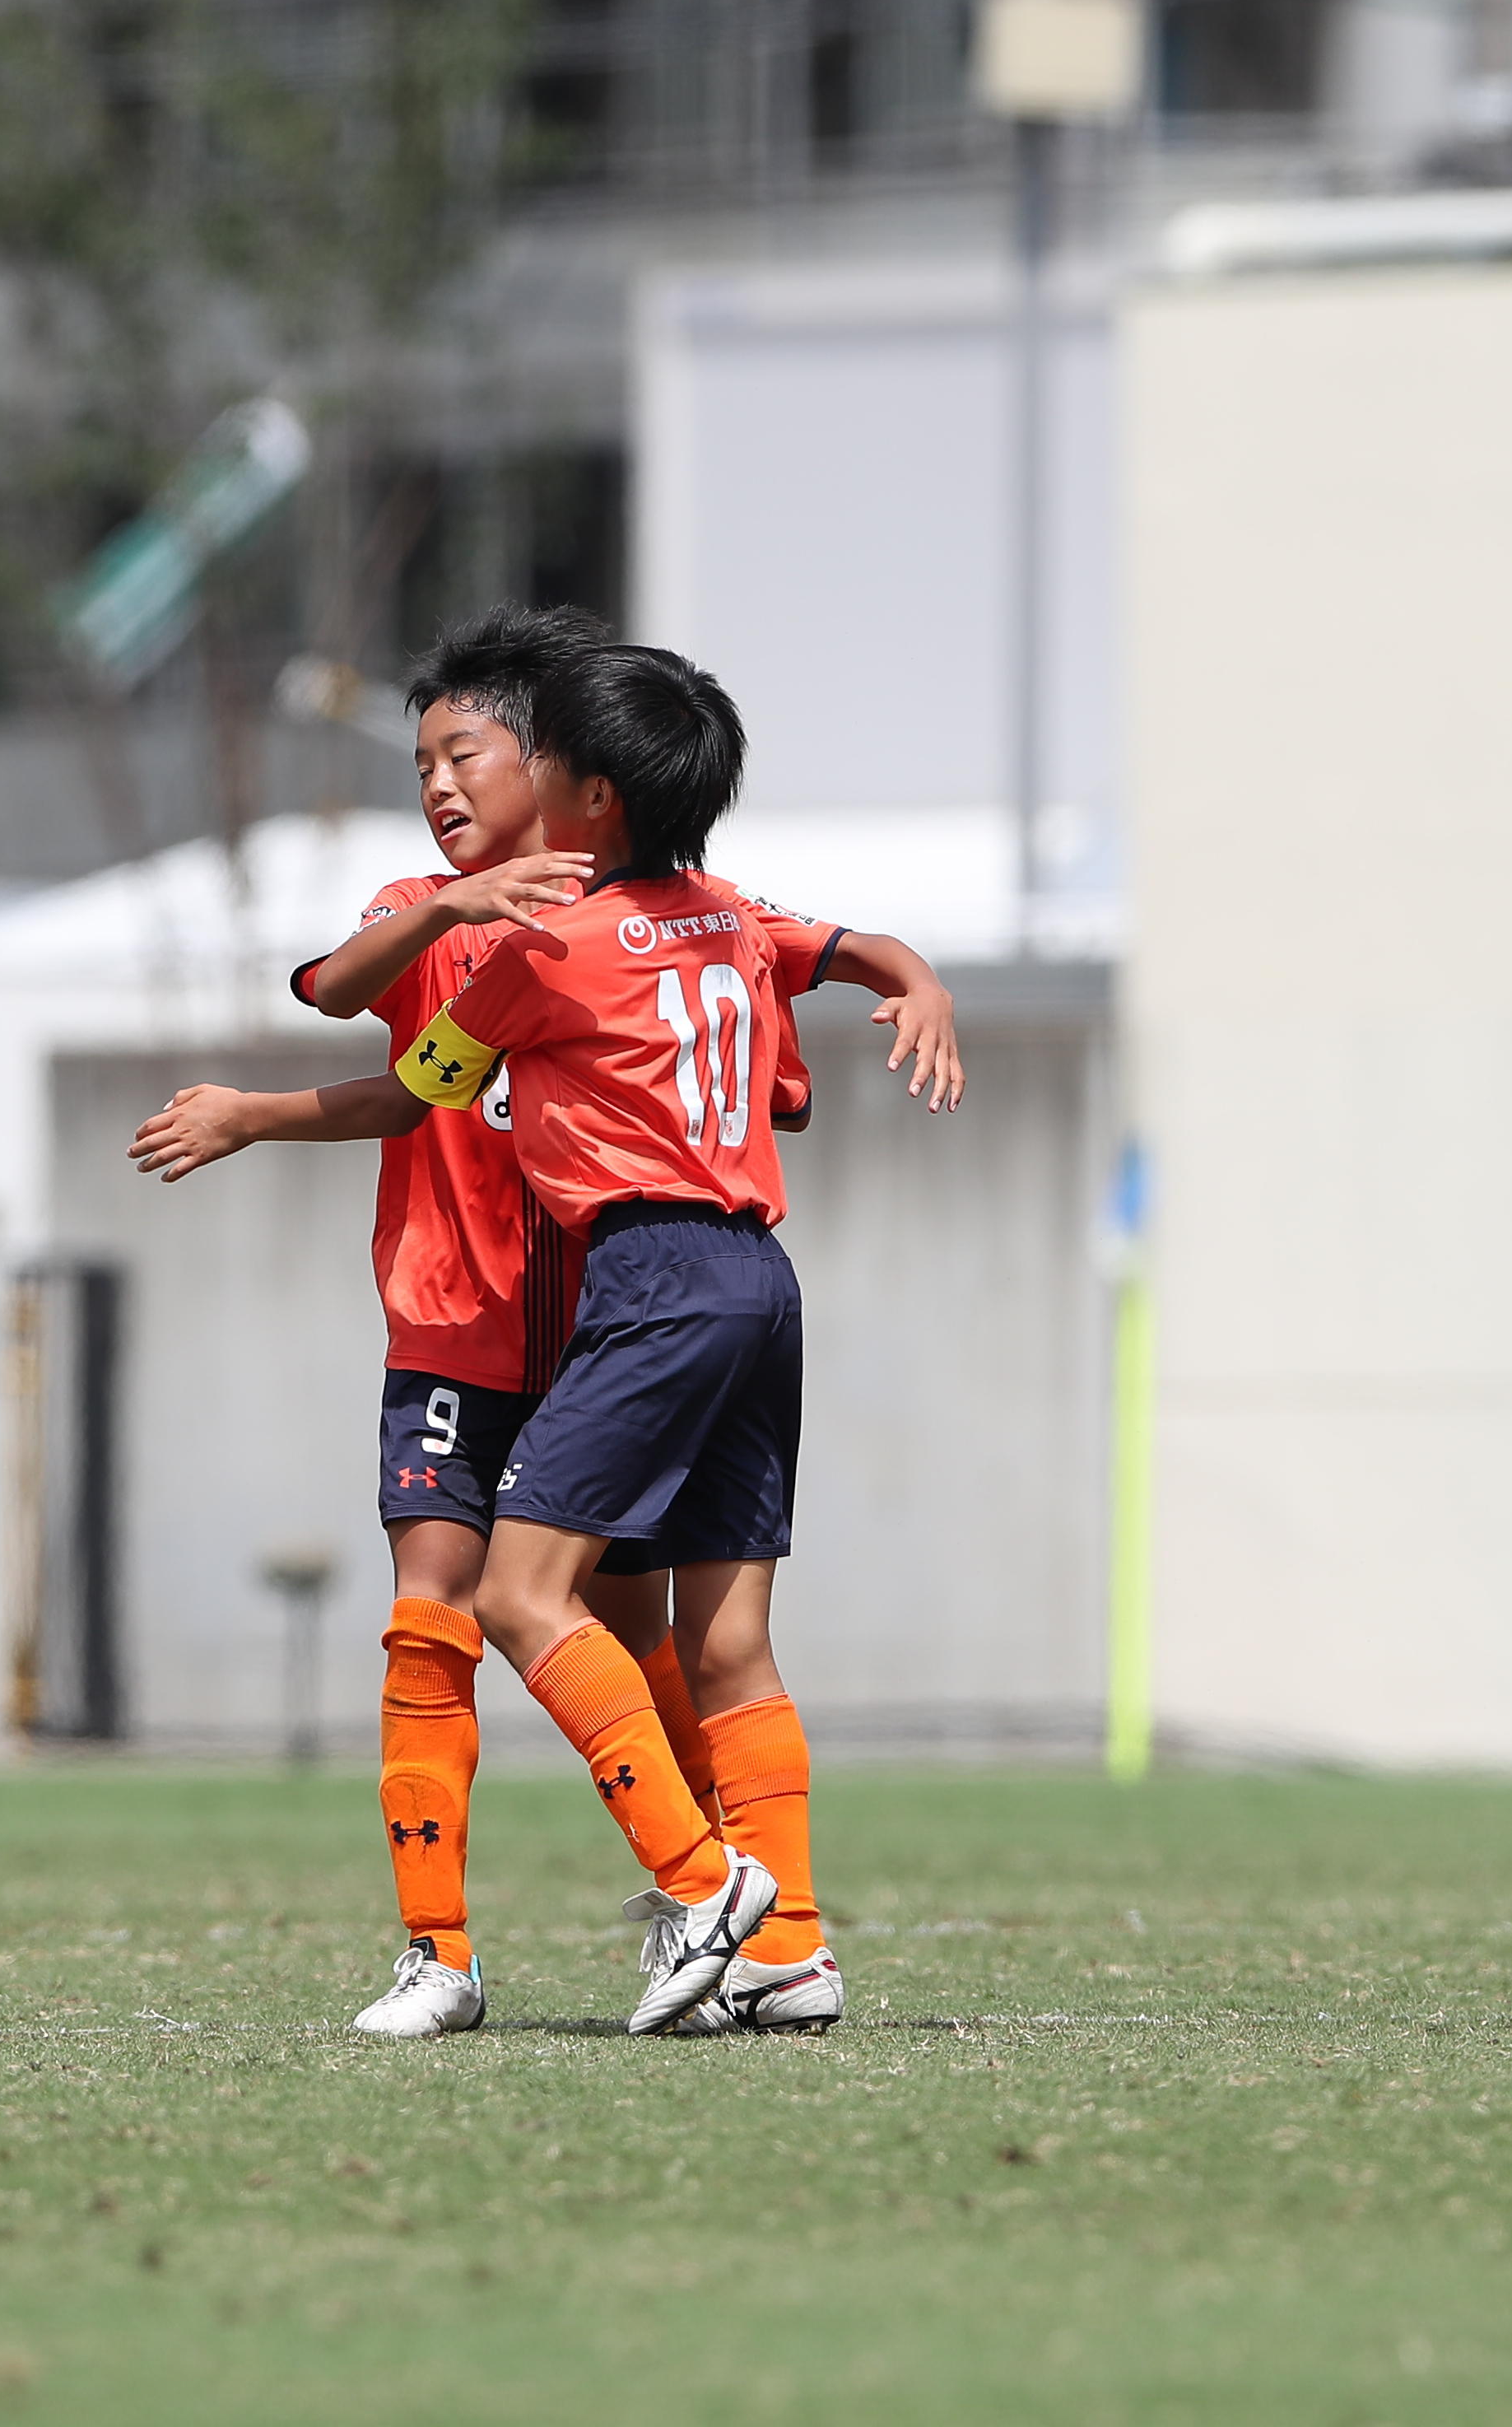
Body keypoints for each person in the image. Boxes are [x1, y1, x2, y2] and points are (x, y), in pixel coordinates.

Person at [130, 618, 965, 2039]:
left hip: (621, 1305)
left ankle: (712, 1891)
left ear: (570, 778)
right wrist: (911, 979)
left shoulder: (561, 945)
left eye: (470, 753)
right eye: (423, 762)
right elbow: (345, 990)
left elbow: (409, 1088)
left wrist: (255, 1112)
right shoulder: (691, 916)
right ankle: (555, 1950)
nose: (439, 782)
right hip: (641, 1297)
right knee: (627, 1631)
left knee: (552, 1609)